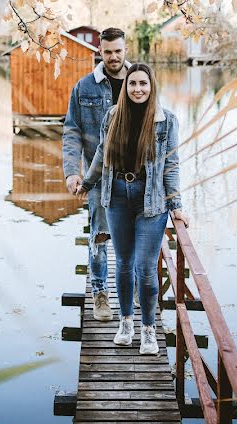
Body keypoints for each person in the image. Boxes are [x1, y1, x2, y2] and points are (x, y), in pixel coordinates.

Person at [79, 63, 190, 355]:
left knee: (144, 267)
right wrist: (88, 183)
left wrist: (176, 205)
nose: (138, 89)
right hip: (116, 196)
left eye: (143, 83)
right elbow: (103, 154)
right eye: (132, 84)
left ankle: (149, 332)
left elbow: (172, 165)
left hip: (151, 201)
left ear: (151, 86)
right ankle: (126, 323)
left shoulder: (167, 121)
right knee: (125, 265)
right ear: (126, 87)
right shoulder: (113, 116)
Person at [62, 27, 130, 321]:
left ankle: (134, 289)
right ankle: (101, 294)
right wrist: (71, 172)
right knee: (100, 238)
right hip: (98, 177)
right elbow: (72, 132)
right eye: (108, 51)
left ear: (125, 50)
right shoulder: (84, 87)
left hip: (136, 177)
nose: (113, 57)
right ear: (99, 52)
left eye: (118, 51)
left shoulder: (139, 82)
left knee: (135, 239)